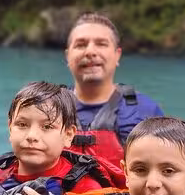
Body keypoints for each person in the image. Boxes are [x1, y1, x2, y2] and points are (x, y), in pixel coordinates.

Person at [64, 13, 164, 168]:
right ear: (67, 55)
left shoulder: (146, 110)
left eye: (101, 44)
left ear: (117, 55)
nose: (90, 52)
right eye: (80, 45)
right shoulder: (49, 109)